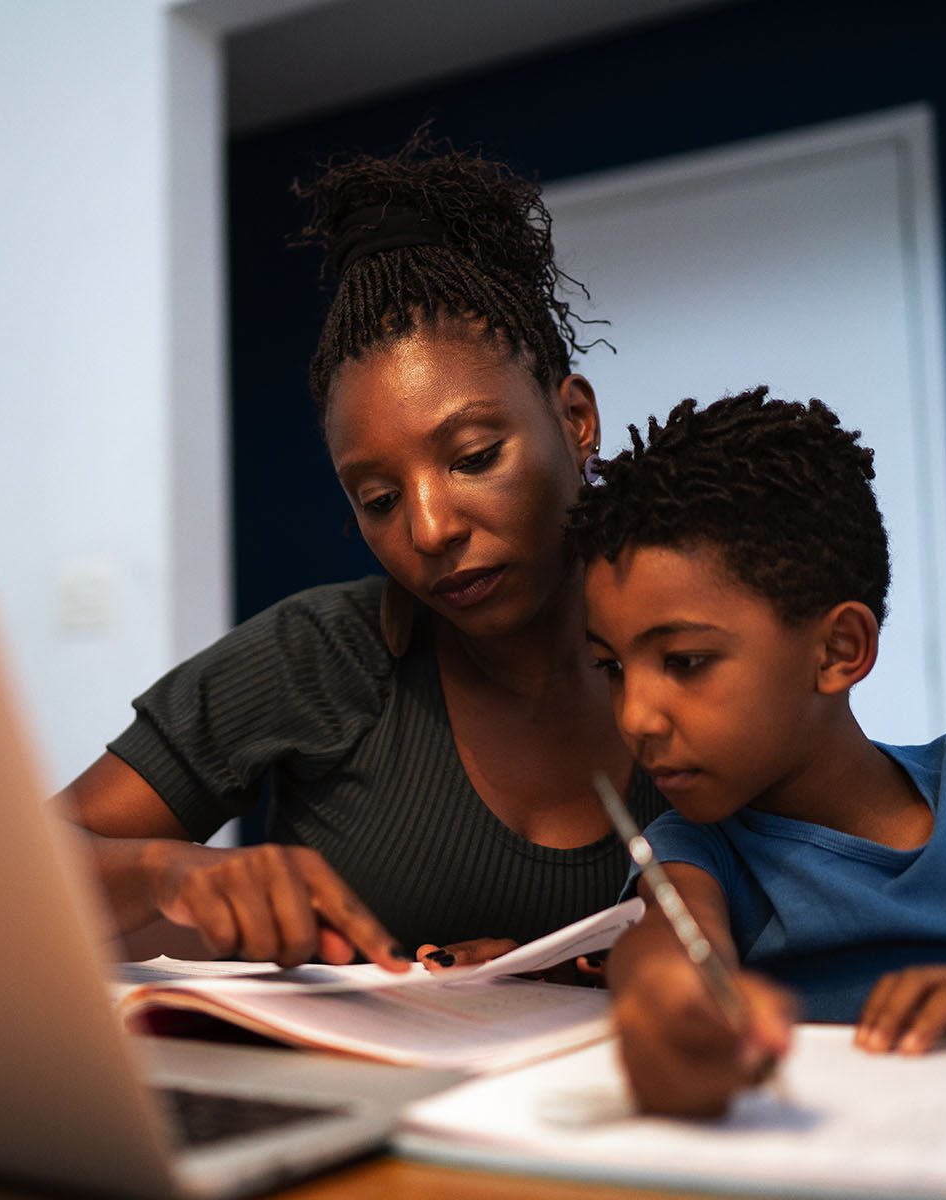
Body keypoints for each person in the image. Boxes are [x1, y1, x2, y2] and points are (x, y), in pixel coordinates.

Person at [63, 132, 667, 972]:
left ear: (576, 422)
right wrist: (165, 870)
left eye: (473, 457)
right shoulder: (315, 657)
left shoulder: (692, 643)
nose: (428, 530)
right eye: (378, 499)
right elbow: (25, 861)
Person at [565, 385, 946, 1116]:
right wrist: (670, 1003)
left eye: (686, 661)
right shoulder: (697, 848)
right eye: (611, 668)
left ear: (839, 650)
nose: (635, 716)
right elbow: (669, 951)